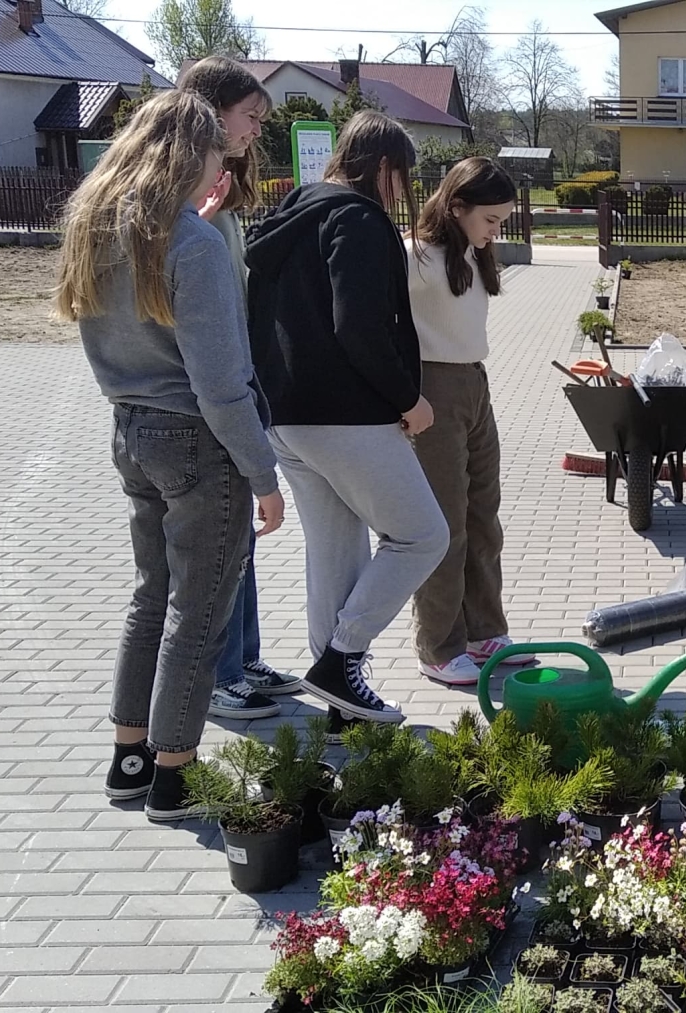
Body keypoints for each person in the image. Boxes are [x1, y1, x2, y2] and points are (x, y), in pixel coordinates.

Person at [53, 89, 285, 821]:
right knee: (199, 614)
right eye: (219, 149)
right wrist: (263, 474)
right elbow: (221, 385)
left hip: (131, 429)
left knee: (151, 598)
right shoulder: (191, 244)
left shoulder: (100, 228)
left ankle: (131, 759)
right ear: (192, 154)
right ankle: (176, 779)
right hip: (198, 441)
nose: (226, 162)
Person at [246, 110, 449, 723]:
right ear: (384, 168)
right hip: (348, 417)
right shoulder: (357, 219)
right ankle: (340, 660)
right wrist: (408, 400)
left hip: (284, 417)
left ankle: (339, 702)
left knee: (334, 551)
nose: (402, 192)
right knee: (421, 536)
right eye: (402, 178)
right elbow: (358, 327)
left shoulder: (289, 216)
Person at [178, 55, 303, 721]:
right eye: (250, 116)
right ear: (210, 111)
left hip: (240, 381)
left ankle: (245, 657)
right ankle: (220, 677)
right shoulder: (182, 203)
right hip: (210, 396)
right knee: (223, 545)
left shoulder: (217, 196)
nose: (257, 129)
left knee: (243, 544)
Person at [404, 157, 536, 685]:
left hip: (475, 385)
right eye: (491, 220)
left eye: (503, 221)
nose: (496, 232)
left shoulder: (471, 254)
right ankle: (438, 646)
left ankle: (484, 633)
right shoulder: (416, 257)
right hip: (432, 390)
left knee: (484, 515)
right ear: (456, 205)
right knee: (446, 523)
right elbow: (374, 322)